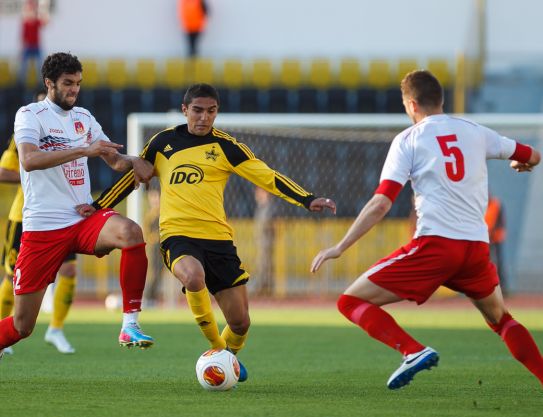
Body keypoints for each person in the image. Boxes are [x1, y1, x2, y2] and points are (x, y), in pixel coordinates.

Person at [78, 83, 336, 382]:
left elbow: (267, 176)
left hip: (219, 240)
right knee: (192, 276)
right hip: (177, 234)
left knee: (240, 323)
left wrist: (307, 199)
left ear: (217, 112)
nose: (204, 117)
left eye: (211, 111)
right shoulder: (163, 142)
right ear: (185, 110)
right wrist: (99, 205)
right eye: (198, 110)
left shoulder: (227, 147)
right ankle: (217, 350)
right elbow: (134, 177)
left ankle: (225, 358)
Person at [311, 70, 543, 390]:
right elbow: (532, 155)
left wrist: (340, 246)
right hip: (475, 249)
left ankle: (412, 350)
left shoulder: (409, 139)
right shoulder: (475, 131)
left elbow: (381, 203)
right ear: (441, 99)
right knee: (502, 320)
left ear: (411, 104)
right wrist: (522, 163)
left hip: (436, 246)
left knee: (349, 302)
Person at [0, 52, 155, 360]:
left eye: (78, 84)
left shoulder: (83, 118)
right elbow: (29, 160)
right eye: (67, 83)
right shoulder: (29, 115)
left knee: (130, 232)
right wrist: (83, 149)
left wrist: (136, 161)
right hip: (43, 227)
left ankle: (130, 324)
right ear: (49, 83)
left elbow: (113, 159)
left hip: (82, 218)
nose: (74, 90)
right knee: (22, 325)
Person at [0, 90, 77, 355]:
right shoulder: (22, 135)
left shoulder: (71, 132)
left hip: (62, 215)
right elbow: (3, 171)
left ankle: (56, 329)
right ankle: (3, 335)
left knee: (68, 271)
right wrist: (38, 174)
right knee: (12, 278)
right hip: (25, 216)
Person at [19, 0, 49, 86]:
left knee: (40, 65)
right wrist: (21, 50)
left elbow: (45, 23)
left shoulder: (36, 21)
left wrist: (44, 10)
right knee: (23, 66)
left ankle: (40, 83)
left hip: (36, 47)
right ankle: (21, 83)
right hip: (28, 47)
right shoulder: (25, 23)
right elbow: (23, 37)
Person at [252, 186, 275, 296]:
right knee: (262, 263)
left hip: (267, 240)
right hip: (261, 240)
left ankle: (266, 286)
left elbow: (272, 224)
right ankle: (264, 285)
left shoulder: (269, 208)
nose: (256, 195)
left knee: (266, 263)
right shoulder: (261, 207)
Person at [485, 193, 508, 294]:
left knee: (498, 263)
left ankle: (503, 288)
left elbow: (500, 221)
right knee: (485, 263)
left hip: (495, 238)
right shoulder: (482, 205)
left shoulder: (496, 204)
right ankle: (488, 288)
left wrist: (492, 233)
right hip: (486, 238)